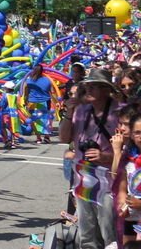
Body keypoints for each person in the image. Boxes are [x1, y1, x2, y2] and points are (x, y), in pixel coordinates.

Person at [60, 67, 121, 249]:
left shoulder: (119, 112)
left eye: (94, 86)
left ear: (106, 89)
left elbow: (128, 149)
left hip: (108, 178)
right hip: (83, 176)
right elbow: (64, 138)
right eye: (87, 87)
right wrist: (69, 112)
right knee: (86, 231)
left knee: (108, 229)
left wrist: (105, 156)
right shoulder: (81, 111)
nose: (88, 91)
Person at [116, 113, 141, 244]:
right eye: (137, 132)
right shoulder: (129, 158)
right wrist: (122, 204)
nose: (140, 137)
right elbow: (122, 187)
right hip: (131, 218)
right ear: (132, 135)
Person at [25, 63, 53, 144]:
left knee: (34, 120)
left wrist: (26, 100)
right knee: (46, 119)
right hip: (45, 101)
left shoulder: (29, 80)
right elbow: (50, 91)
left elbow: (26, 91)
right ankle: (47, 137)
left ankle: (38, 137)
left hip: (32, 102)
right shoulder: (47, 80)